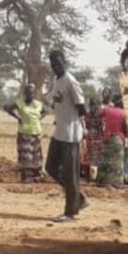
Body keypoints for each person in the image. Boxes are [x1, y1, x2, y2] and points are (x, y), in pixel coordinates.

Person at [44, 50, 88, 221]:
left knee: (70, 174)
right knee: (51, 167)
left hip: (71, 135)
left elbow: (81, 108)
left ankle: (71, 212)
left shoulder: (71, 81)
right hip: (59, 133)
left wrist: (82, 129)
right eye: (53, 64)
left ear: (65, 62)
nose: (56, 66)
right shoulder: (57, 81)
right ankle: (79, 197)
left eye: (58, 63)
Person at [4, 84, 46, 182]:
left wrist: (40, 118)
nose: (29, 94)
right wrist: (18, 117)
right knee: (25, 155)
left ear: (34, 93)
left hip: (37, 133)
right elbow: (8, 108)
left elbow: (45, 112)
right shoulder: (20, 103)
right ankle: (25, 177)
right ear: (24, 93)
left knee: (36, 155)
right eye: (27, 92)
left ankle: (36, 176)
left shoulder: (38, 104)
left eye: (31, 92)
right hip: (24, 133)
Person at [97, 93, 128, 186]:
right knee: (118, 161)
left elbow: (98, 114)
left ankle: (102, 181)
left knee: (105, 160)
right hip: (118, 139)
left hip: (107, 137)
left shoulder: (107, 110)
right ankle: (117, 182)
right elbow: (125, 128)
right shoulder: (124, 113)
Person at [81, 98, 104, 181]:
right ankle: (94, 176)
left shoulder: (88, 115)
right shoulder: (99, 114)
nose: (92, 107)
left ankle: (92, 177)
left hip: (92, 136)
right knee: (95, 157)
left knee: (92, 156)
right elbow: (100, 126)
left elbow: (87, 126)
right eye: (92, 105)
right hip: (95, 137)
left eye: (93, 105)